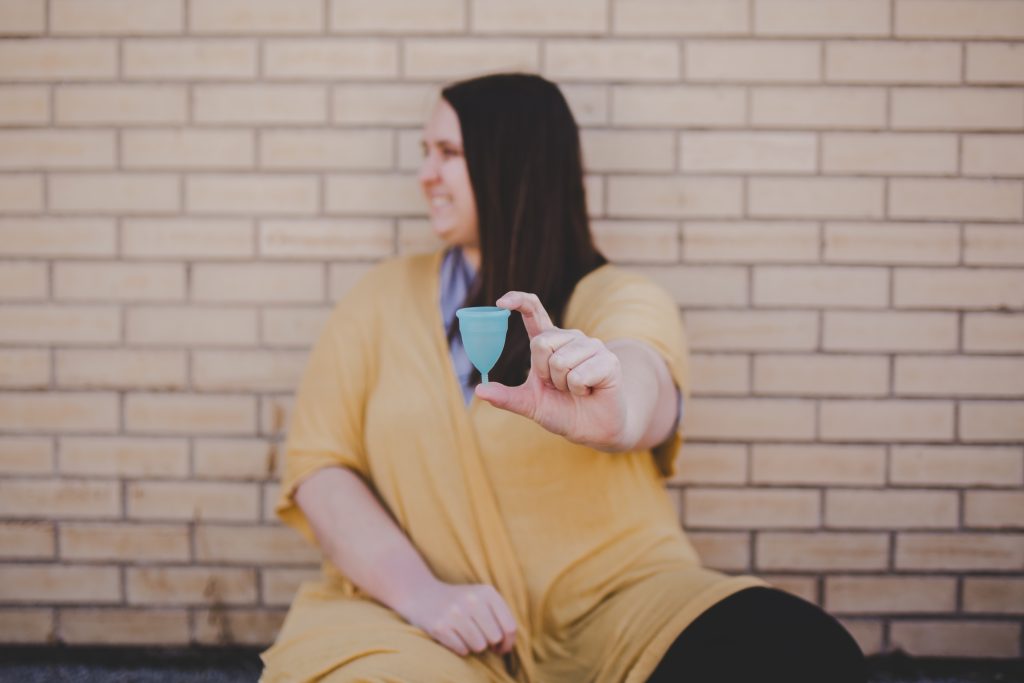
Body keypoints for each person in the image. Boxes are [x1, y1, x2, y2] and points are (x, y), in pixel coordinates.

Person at [259, 73, 866, 683]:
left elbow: (643, 369)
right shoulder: (378, 299)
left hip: (621, 606)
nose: (425, 175)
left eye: (448, 154)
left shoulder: (618, 296)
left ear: (511, 163)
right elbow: (320, 466)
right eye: (426, 153)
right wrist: (421, 595)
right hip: (421, 626)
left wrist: (616, 409)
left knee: (799, 653)